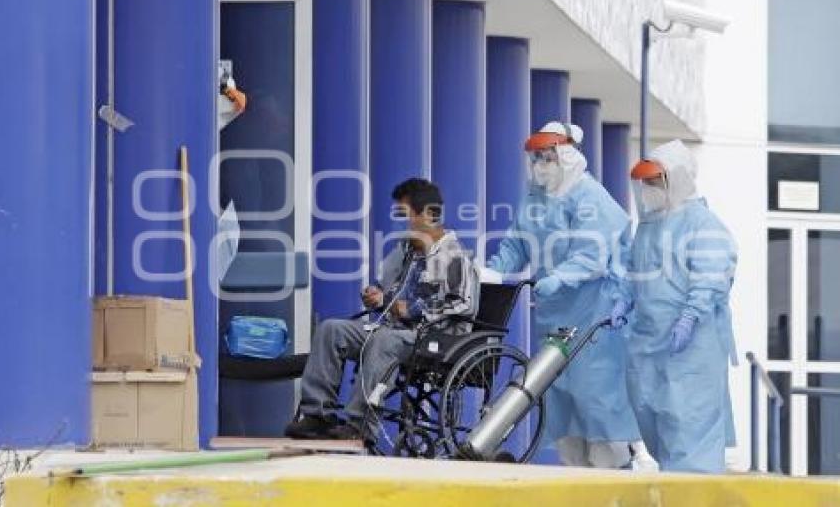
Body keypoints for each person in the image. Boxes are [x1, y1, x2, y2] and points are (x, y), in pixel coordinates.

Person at [487, 121, 643, 469]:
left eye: (547, 158)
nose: (540, 165)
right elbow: (518, 240)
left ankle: (610, 476)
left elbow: (592, 253)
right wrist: (496, 269)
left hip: (596, 314)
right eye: (536, 158)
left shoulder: (591, 197)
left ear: (566, 157)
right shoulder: (535, 197)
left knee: (595, 397)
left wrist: (559, 277)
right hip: (556, 314)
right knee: (559, 396)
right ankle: (574, 477)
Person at [285, 178, 479, 443]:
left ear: (430, 215)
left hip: (434, 339)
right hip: (395, 331)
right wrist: (377, 296)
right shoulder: (407, 252)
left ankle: (360, 425)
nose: (401, 224)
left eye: (405, 215)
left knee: (383, 341)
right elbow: (388, 290)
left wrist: (412, 309)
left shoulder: (453, 255)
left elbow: (463, 302)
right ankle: (317, 415)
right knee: (332, 330)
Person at [625, 139, 737, 473]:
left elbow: (711, 278)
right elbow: (635, 271)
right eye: (644, 182)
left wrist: (690, 317)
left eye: (655, 182)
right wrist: (624, 298)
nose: (648, 189)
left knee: (691, 428)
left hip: (690, 347)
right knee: (656, 423)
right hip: (648, 342)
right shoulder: (648, 226)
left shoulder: (704, 225)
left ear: (678, 180)